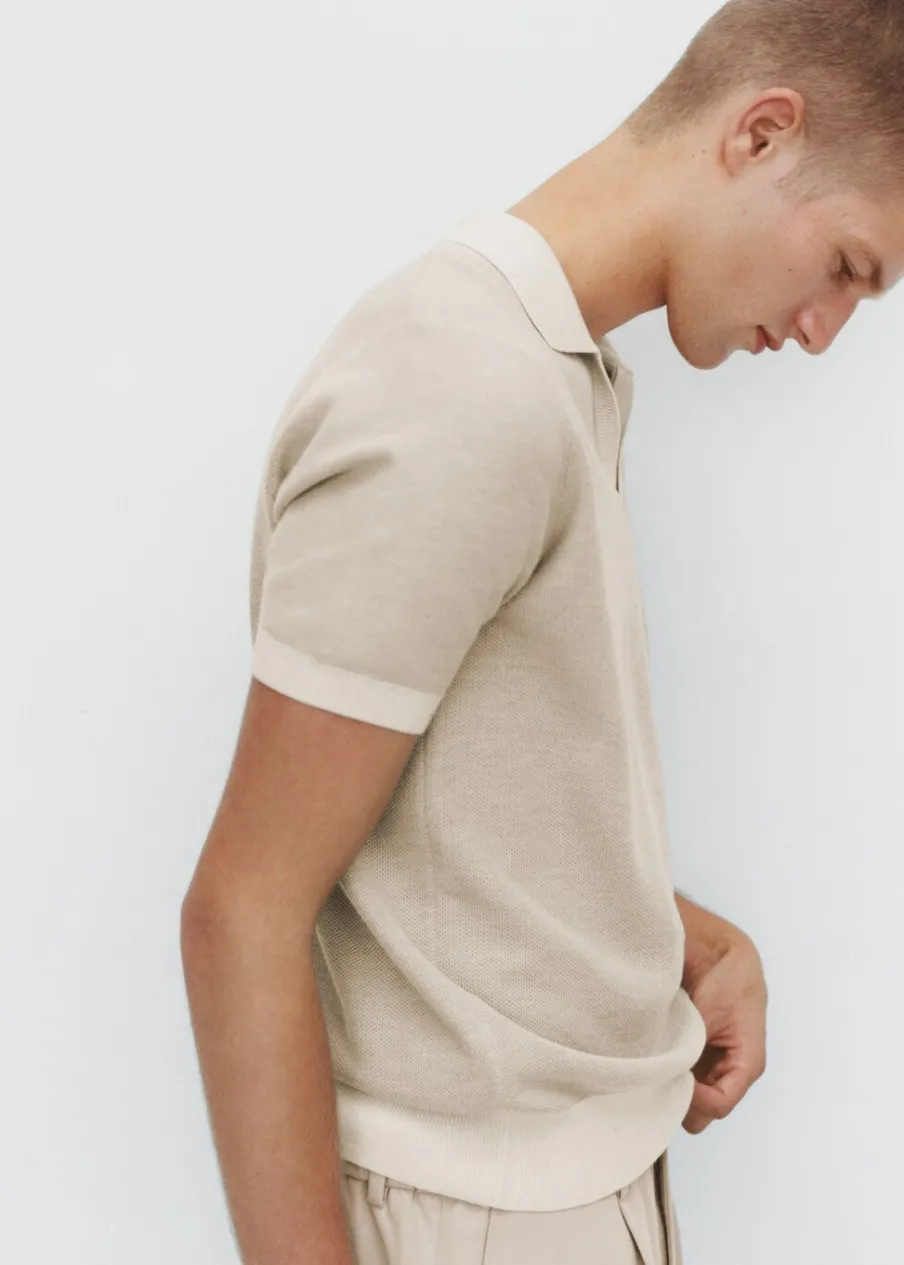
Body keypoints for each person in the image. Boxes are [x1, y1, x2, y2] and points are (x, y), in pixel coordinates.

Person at [180, 1, 904, 1262]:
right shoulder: (462, 389)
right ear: (761, 134)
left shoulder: (552, 375)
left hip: (570, 1185)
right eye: (847, 265)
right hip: (482, 1213)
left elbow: (443, 806)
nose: (822, 328)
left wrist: (666, 931)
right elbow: (241, 909)